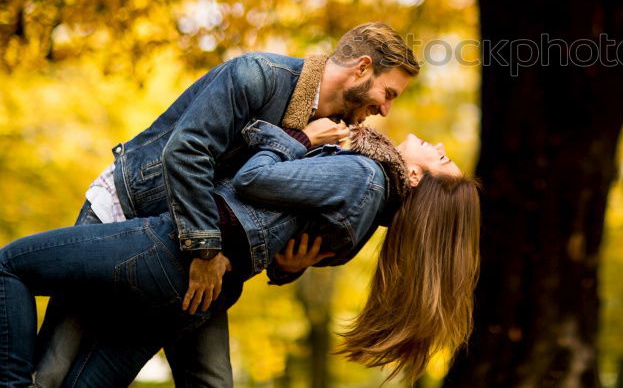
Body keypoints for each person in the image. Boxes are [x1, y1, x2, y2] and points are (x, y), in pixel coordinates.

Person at [33, 22, 420, 387]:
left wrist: (289, 265)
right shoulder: (258, 75)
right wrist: (206, 251)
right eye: (388, 94)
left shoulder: (336, 137)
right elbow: (186, 154)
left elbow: (274, 214)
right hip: (130, 211)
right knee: (49, 371)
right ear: (362, 68)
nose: (386, 110)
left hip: (193, 263)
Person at [0, 119, 479, 387]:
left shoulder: (364, 177)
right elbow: (284, 239)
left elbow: (254, 181)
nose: (437, 144)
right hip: (204, 294)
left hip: (174, 252)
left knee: (9, 266)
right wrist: (289, 271)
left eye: (441, 158)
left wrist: (298, 138)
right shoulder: (368, 213)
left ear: (415, 179)